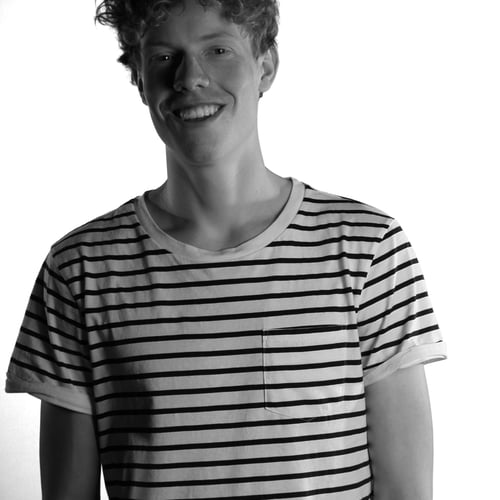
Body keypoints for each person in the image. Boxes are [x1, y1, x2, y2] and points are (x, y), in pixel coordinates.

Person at [4, 1, 447, 499]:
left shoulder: (368, 249)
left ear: (266, 66)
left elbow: (406, 491)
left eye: (218, 50)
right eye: (164, 57)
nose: (190, 77)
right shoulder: (78, 270)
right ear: (140, 81)